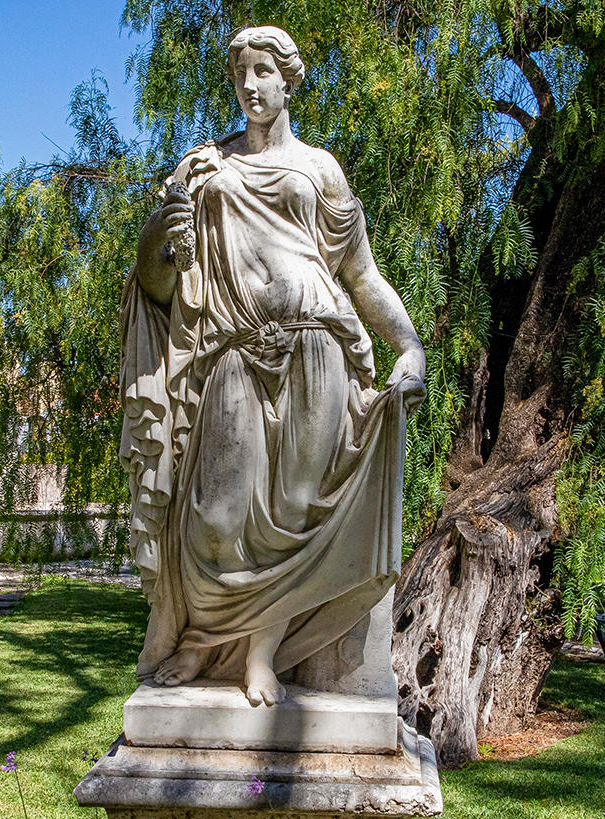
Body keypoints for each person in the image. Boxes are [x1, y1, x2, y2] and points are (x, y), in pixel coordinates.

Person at [119, 25, 425, 706]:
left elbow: (362, 275)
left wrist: (411, 346)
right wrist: (157, 236)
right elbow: (157, 284)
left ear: (290, 81)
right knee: (215, 515)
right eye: (241, 75)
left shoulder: (320, 169)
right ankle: (201, 643)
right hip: (231, 350)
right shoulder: (204, 168)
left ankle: (260, 655)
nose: (252, 85)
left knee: (292, 514)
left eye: (264, 71)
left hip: (319, 347)